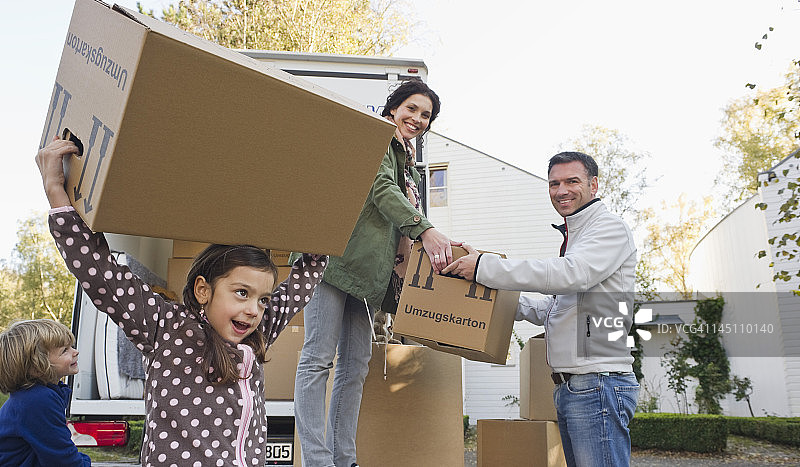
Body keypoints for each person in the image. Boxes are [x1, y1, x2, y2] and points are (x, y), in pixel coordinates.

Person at [35, 135, 327, 467]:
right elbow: (102, 274)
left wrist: (321, 229)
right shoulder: (168, 329)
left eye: (263, 300)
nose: (254, 309)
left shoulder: (254, 335)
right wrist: (56, 193)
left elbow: (298, 288)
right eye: (242, 293)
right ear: (204, 290)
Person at [293, 79, 459, 467]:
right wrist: (425, 230)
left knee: (355, 366)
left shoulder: (412, 170)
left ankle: (343, 458)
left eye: (426, 115)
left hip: (371, 276)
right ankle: (318, 460)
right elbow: (381, 190)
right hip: (335, 260)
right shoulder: (378, 140)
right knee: (317, 359)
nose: (417, 119)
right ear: (393, 108)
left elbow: (411, 220)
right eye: (412, 109)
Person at [443, 151, 639, 467]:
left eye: (572, 181)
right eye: (554, 183)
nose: (561, 191)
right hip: (574, 386)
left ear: (594, 184)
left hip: (597, 382)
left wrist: (485, 267)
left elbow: (570, 274)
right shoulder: (578, 237)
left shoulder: (609, 228)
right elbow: (554, 308)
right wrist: (488, 295)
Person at [0, 319, 91, 466]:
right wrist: (86, 462)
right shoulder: (37, 400)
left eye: (71, 346)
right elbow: (63, 461)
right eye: (64, 350)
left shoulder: (33, 396)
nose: (75, 352)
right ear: (37, 366)